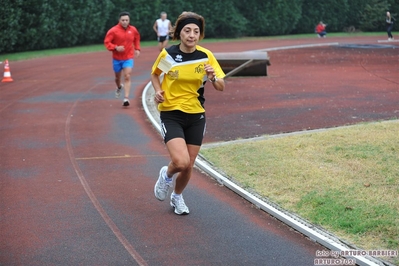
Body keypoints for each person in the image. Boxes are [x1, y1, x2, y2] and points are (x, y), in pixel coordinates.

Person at [151, 11, 226, 215]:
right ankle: (166, 175)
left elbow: (221, 85)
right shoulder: (169, 55)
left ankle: (177, 197)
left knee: (189, 165)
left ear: (199, 35)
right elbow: (155, 75)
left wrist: (212, 77)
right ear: (180, 33)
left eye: (196, 31)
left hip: (196, 115)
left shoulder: (205, 56)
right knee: (181, 162)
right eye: (187, 31)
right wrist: (158, 91)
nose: (191, 35)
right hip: (171, 113)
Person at [104, 11, 141, 107]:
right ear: (119, 20)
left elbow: (136, 38)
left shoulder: (133, 30)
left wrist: (137, 48)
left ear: (129, 20)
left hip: (128, 57)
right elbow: (107, 42)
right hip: (117, 58)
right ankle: (119, 86)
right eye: (123, 20)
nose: (125, 22)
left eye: (127, 20)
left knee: (127, 76)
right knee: (117, 78)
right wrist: (115, 47)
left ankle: (126, 98)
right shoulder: (113, 31)